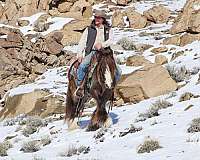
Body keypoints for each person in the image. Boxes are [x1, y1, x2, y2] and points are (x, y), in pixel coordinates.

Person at [75, 10, 121, 97]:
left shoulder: (108, 29)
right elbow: (82, 42)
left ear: (103, 19)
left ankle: (112, 88)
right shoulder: (89, 29)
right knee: (82, 66)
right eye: (95, 17)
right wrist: (80, 55)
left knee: (118, 71)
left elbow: (111, 40)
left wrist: (102, 45)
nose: (96, 19)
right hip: (92, 52)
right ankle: (80, 87)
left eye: (99, 18)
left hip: (106, 52)